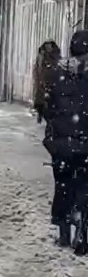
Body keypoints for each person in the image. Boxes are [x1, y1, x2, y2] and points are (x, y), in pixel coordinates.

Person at [43, 31, 88, 250]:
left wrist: (52, 139)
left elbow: (48, 109)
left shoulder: (58, 76)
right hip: (85, 143)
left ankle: (63, 231)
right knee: (83, 188)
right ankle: (82, 232)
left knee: (62, 185)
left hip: (62, 145)